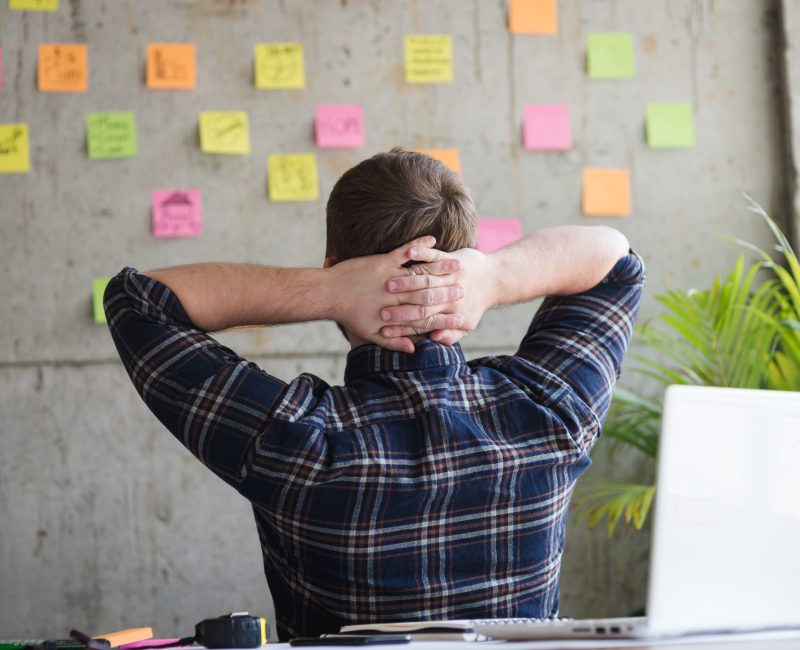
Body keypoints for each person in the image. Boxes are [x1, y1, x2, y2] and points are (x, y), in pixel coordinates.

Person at [104, 148, 644, 641]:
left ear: (334, 267)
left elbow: (138, 300)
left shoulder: (294, 441)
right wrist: (496, 276)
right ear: (466, 263)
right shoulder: (548, 410)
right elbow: (616, 265)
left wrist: (328, 291)